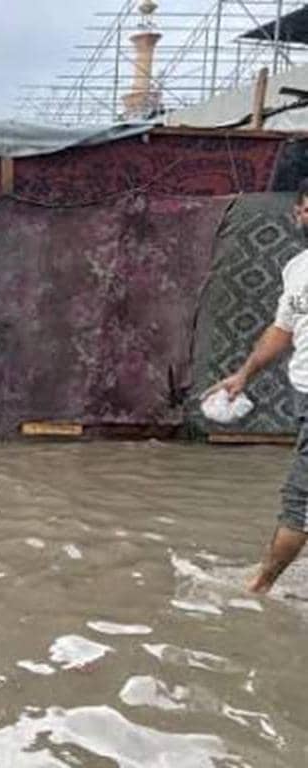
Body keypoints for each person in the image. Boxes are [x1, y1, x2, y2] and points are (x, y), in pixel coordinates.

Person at [209, 180, 308, 594]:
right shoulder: (298, 267)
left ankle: (258, 590)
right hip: (303, 396)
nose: (305, 215)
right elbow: (283, 329)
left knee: (300, 504)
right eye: (304, 209)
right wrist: (244, 375)